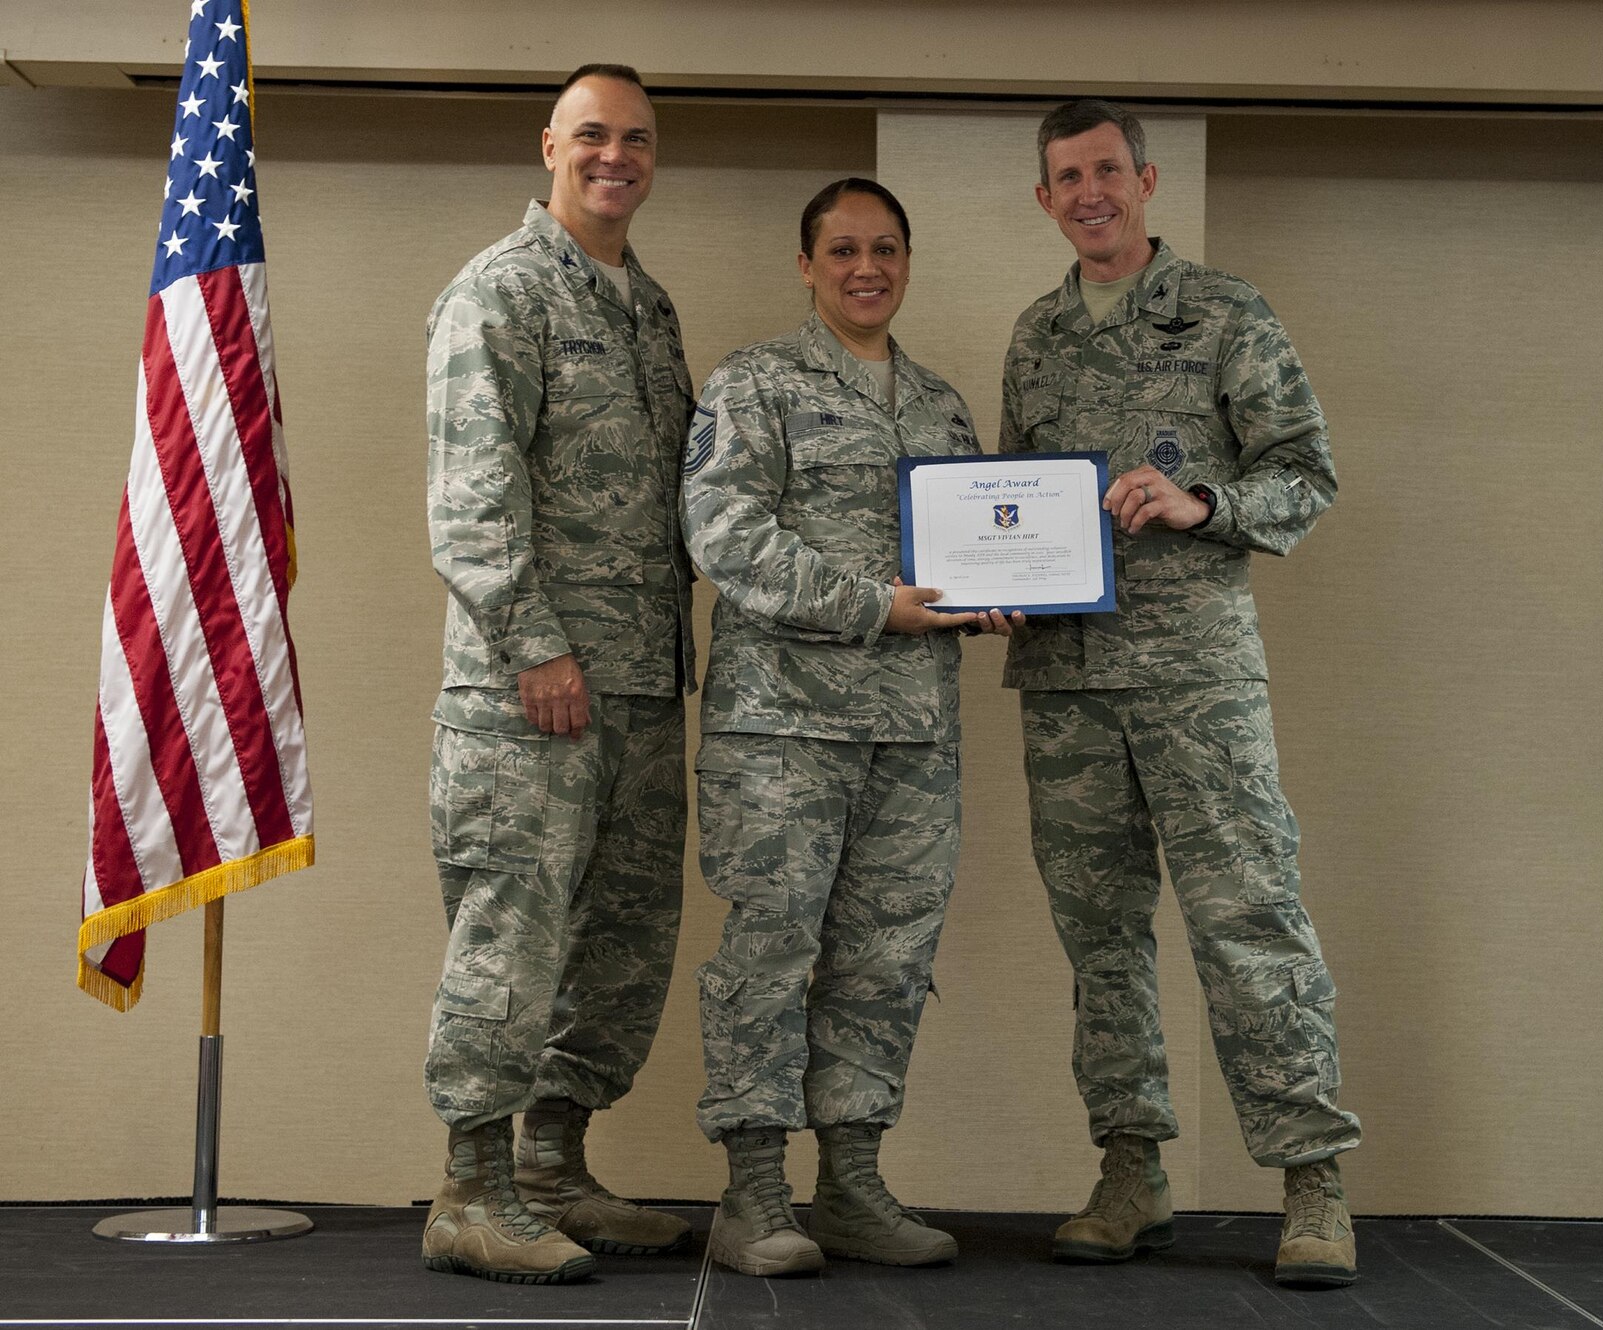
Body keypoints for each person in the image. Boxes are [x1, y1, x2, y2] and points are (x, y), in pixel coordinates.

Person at [1000, 99, 1361, 1288]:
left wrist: (1200, 503)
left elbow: (1303, 474)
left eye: (1108, 168)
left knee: (1248, 919)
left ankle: (1311, 1183)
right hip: (1065, 682)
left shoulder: (1225, 312)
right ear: (1044, 198)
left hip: (1194, 676)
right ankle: (1129, 1169)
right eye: (1067, 175)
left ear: (1145, 181)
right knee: (1098, 938)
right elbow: (1015, 500)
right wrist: (990, 576)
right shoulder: (1035, 334)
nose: (1089, 190)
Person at [682, 178, 1015, 1278]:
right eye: (840, 249)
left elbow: (975, 550)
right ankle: (754, 1192)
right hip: (782, 727)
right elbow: (724, 533)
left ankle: (854, 1182)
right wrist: (877, 602)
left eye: (883, 248)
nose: (863, 266)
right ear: (806, 265)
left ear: (907, 261)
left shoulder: (939, 406)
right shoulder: (756, 384)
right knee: (768, 953)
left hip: (912, 731)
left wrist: (1006, 588)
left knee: (885, 957)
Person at [420, 63, 696, 1284]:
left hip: (638, 684)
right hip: (530, 693)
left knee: (620, 938)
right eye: (592, 136)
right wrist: (536, 645)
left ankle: (551, 1165)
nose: (614, 157)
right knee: (512, 934)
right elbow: (473, 503)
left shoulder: (648, 309)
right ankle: (469, 1192)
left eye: (634, 139)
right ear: (548, 146)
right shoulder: (500, 292)